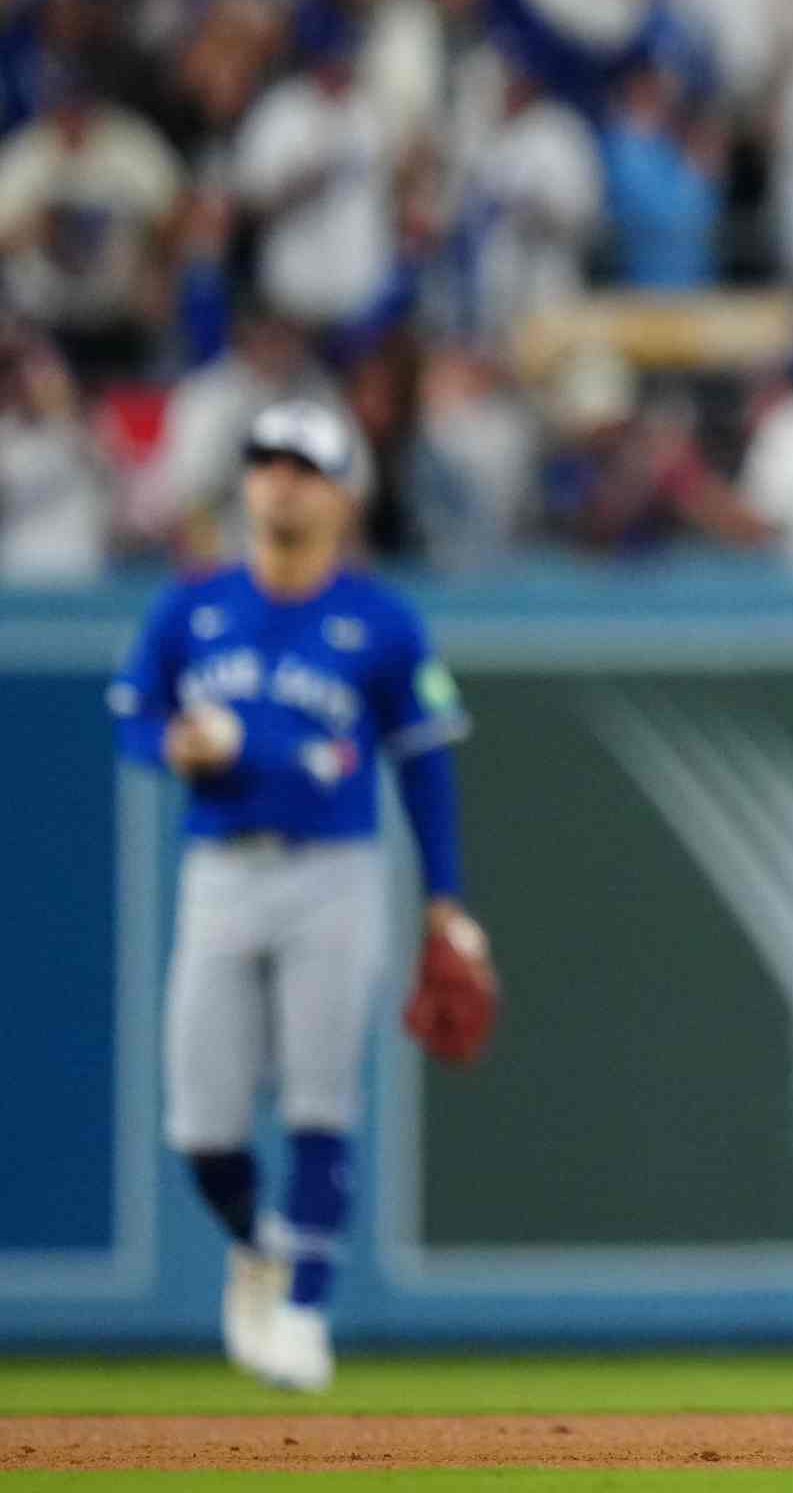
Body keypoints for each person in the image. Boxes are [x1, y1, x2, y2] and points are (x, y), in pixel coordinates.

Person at [108, 403, 487, 1391]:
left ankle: (307, 1309)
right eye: (265, 461)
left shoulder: (382, 620)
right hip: (223, 870)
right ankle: (257, 1245)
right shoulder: (190, 609)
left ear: (341, 492)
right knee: (202, 1130)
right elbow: (133, 717)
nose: (279, 480)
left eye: (302, 466)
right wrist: (172, 747)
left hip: (336, 872)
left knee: (323, 1104)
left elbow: (426, 763)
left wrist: (447, 900)